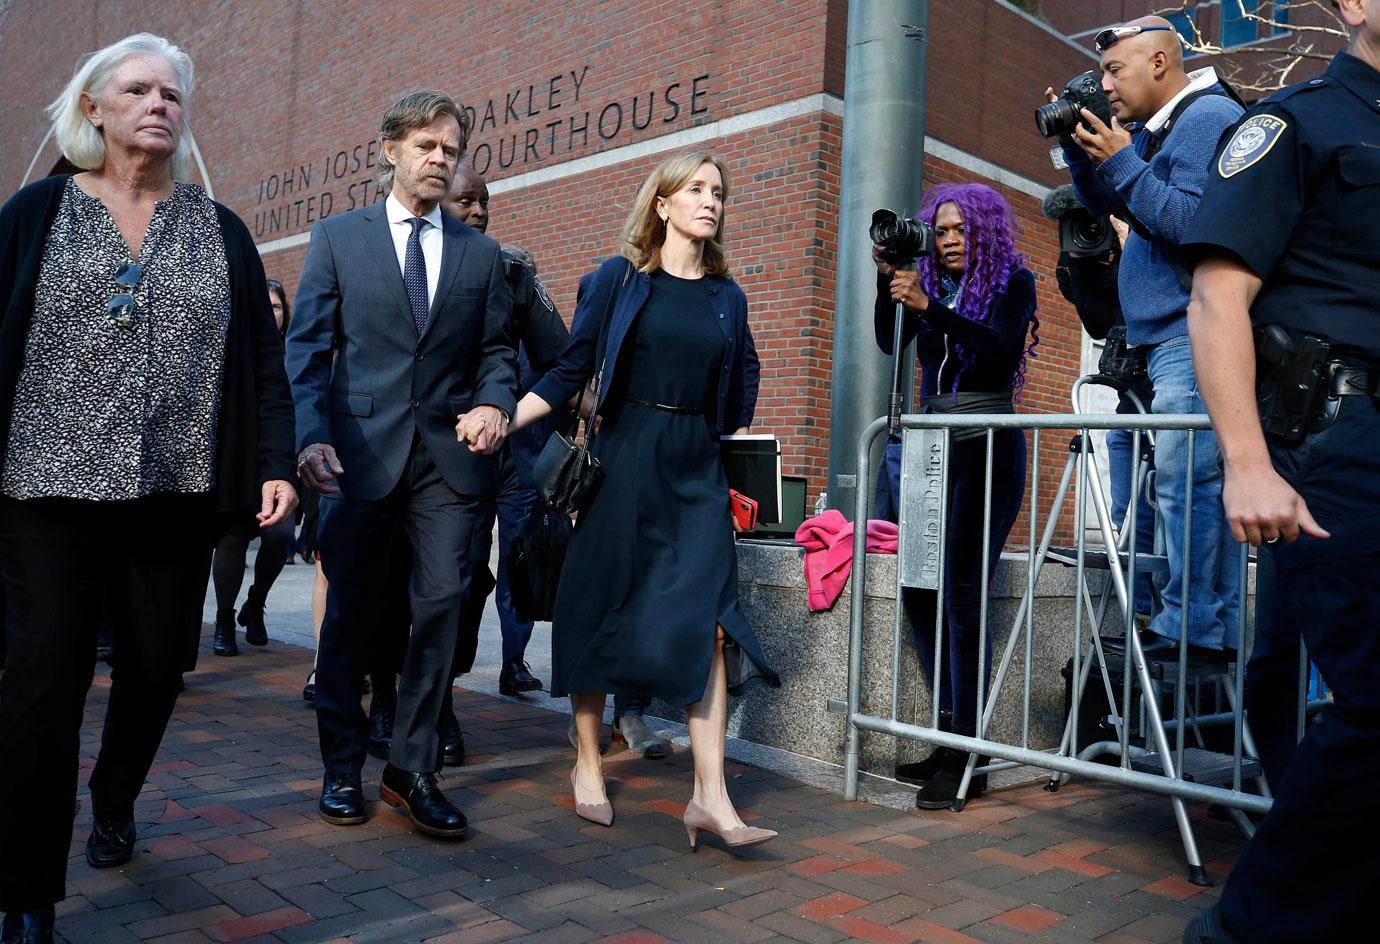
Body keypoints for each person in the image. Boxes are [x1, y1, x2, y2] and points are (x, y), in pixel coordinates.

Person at [0, 34, 297, 944]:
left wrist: (276, 461)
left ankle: (115, 791)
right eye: (137, 89)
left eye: (171, 92)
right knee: (41, 686)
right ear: (94, 108)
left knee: (158, 669)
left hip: (172, 494)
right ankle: (25, 892)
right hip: (43, 490)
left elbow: (259, 357)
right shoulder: (37, 212)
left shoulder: (220, 229)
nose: (158, 104)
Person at [507, 151, 779, 846]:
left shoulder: (728, 295)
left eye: (718, 191)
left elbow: (740, 380)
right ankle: (590, 760)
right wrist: (506, 418)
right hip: (625, 457)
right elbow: (572, 365)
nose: (710, 201)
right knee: (599, 604)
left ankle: (711, 798)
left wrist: (737, 452)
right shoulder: (618, 280)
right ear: (661, 204)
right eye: (696, 189)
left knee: (709, 619)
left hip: (696, 468)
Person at [1179, 2, 1380, 940]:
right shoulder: (1297, 123)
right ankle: (1246, 928)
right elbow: (1219, 295)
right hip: (1335, 435)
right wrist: (1247, 465)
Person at [286, 89, 517, 841]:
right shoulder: (337, 239)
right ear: (390, 150)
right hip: (355, 458)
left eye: (450, 150)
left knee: (443, 603)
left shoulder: (481, 257)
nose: (439, 161)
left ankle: (411, 768)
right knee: (350, 617)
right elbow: (308, 348)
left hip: (447, 465)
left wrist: (494, 404)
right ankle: (341, 767)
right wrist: (310, 437)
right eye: (426, 147)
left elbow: (496, 353)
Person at [1053, 16, 1245, 655]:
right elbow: (1128, 206)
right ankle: (1180, 621)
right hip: (1157, 342)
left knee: (1186, 480)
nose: (1104, 84)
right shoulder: (1157, 133)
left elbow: (1191, 223)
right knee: (1169, 486)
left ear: (1160, 63)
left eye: (1114, 70)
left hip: (1190, 336)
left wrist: (1126, 164)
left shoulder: (1206, 119)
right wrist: (1088, 161)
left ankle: (1193, 625)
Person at [873, 183, 1038, 809]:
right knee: (920, 590)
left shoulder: (1013, 284)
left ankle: (968, 750)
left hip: (986, 444)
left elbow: (996, 349)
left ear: (984, 233)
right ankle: (948, 735)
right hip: (931, 446)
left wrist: (928, 307)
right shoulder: (930, 287)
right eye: (939, 230)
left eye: (959, 230)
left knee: (964, 594)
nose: (946, 241)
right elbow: (891, 346)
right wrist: (890, 282)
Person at [208, 277, 297, 656]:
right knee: (232, 540)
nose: (270, 312)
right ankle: (225, 620)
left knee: (279, 538)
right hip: (240, 459)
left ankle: (256, 602)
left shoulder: (297, 350)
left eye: (276, 306)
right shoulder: (236, 349)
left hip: (282, 459)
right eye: (265, 305)